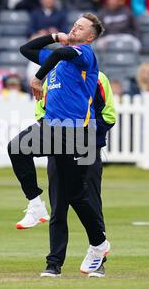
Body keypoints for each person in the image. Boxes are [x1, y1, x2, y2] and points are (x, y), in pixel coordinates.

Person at [8, 13, 110, 276]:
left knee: (76, 195)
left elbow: (60, 55)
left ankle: (98, 244)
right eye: (74, 24)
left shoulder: (85, 55)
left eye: (81, 27)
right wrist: (54, 37)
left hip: (74, 132)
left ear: (90, 37)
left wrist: (37, 78)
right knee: (17, 148)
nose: (75, 27)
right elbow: (27, 49)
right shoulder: (60, 58)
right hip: (53, 128)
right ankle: (36, 205)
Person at [35, 71, 117, 277]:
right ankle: (54, 263)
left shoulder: (98, 78)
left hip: (87, 148)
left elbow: (108, 115)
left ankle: (98, 261)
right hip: (58, 149)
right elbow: (41, 113)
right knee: (58, 205)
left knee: (91, 203)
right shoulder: (53, 78)